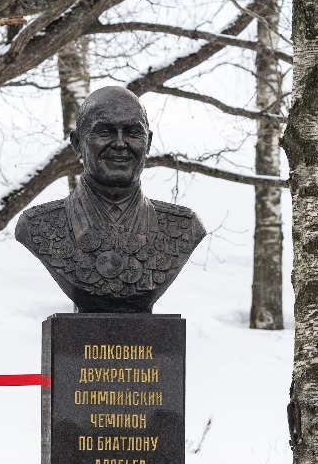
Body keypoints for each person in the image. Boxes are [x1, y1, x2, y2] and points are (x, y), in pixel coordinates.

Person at [15, 86, 206, 313]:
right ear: (77, 143)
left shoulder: (184, 227)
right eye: (105, 132)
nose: (119, 144)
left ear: (149, 142)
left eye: (133, 132)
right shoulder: (38, 226)